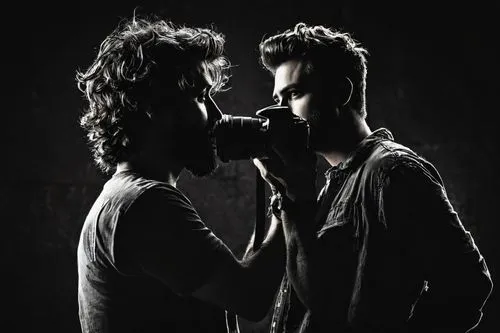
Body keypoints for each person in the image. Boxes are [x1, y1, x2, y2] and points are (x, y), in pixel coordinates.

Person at [253, 22, 493, 333]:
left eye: (294, 94)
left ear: (341, 92)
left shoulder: (393, 172)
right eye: (277, 98)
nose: (281, 112)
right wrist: (289, 195)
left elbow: (467, 286)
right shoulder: (329, 186)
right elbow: (319, 299)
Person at [75, 15, 285, 333]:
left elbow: (234, 284)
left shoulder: (123, 198)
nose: (217, 114)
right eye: (200, 97)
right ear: (153, 107)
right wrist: (292, 194)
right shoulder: (145, 203)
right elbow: (250, 297)